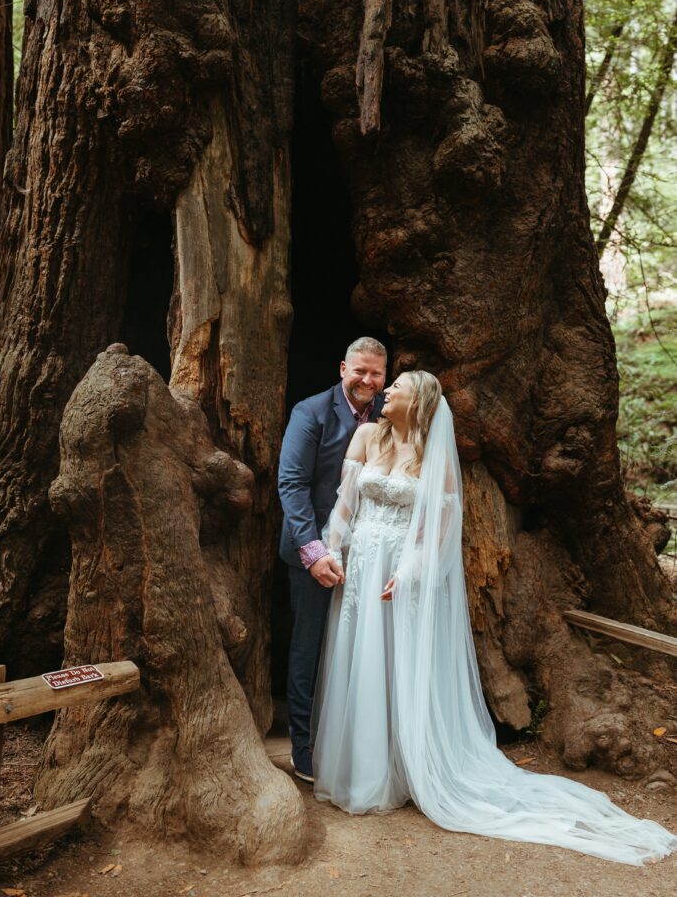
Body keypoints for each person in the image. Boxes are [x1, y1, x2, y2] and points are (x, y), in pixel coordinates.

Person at [312, 370, 677, 865]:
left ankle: (407, 767)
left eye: (396, 385)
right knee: (362, 658)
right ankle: (366, 771)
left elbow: (439, 529)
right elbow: (343, 506)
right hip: (360, 565)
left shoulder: (434, 457)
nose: (387, 391)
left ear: (417, 402)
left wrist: (411, 571)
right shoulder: (365, 436)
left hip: (401, 572)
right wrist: (334, 551)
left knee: (397, 662)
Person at [278, 337, 387, 782]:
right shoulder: (311, 412)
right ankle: (302, 747)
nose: (367, 380)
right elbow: (292, 483)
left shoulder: (389, 414)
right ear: (343, 368)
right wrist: (314, 552)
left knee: (357, 649)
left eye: (376, 373)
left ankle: (353, 746)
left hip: (366, 553)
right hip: (314, 553)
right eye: (360, 370)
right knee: (308, 647)